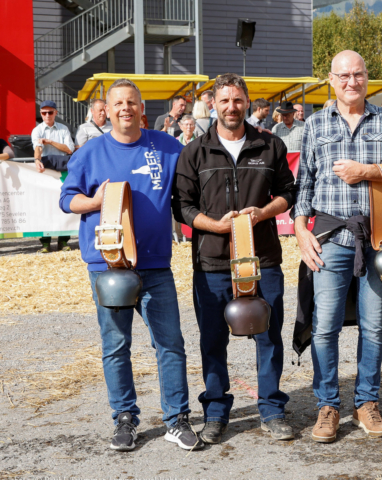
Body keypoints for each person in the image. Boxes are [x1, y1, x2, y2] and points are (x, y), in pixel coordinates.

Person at [59, 78, 202, 452]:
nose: (126, 108)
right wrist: (95, 201)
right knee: (116, 345)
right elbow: (66, 200)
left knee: (170, 344)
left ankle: (176, 419)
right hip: (107, 266)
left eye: (132, 102)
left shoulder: (167, 146)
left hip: (156, 264)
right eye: (118, 103)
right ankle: (125, 419)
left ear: (141, 108)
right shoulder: (89, 152)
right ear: (106, 109)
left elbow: (198, 172)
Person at [293, 50, 382, 444]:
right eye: (344, 75)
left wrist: (368, 172)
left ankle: (366, 402)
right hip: (329, 239)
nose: (352, 81)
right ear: (330, 80)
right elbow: (304, 186)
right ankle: (327, 405)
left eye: (359, 74)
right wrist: (301, 231)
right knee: (324, 327)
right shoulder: (315, 125)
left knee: (373, 326)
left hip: (378, 237)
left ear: (367, 77)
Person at [172, 73, 296, 444]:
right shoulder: (194, 151)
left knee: (269, 336)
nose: (231, 107)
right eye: (224, 100)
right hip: (212, 261)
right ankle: (215, 411)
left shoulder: (270, 145)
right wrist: (216, 226)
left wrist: (262, 212)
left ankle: (272, 408)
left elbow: (288, 193)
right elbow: (182, 207)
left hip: (264, 259)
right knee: (212, 340)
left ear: (247, 102)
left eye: (238, 100)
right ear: (213, 104)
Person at [32, 100, 75, 253]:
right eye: (44, 113)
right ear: (41, 114)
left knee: (64, 203)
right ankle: (45, 243)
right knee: (45, 206)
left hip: (62, 171)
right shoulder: (37, 130)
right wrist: (37, 159)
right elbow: (37, 147)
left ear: (56, 113)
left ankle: (63, 241)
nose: (47, 115)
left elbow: (69, 149)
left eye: (50, 112)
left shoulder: (64, 129)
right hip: (48, 172)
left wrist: (49, 141)